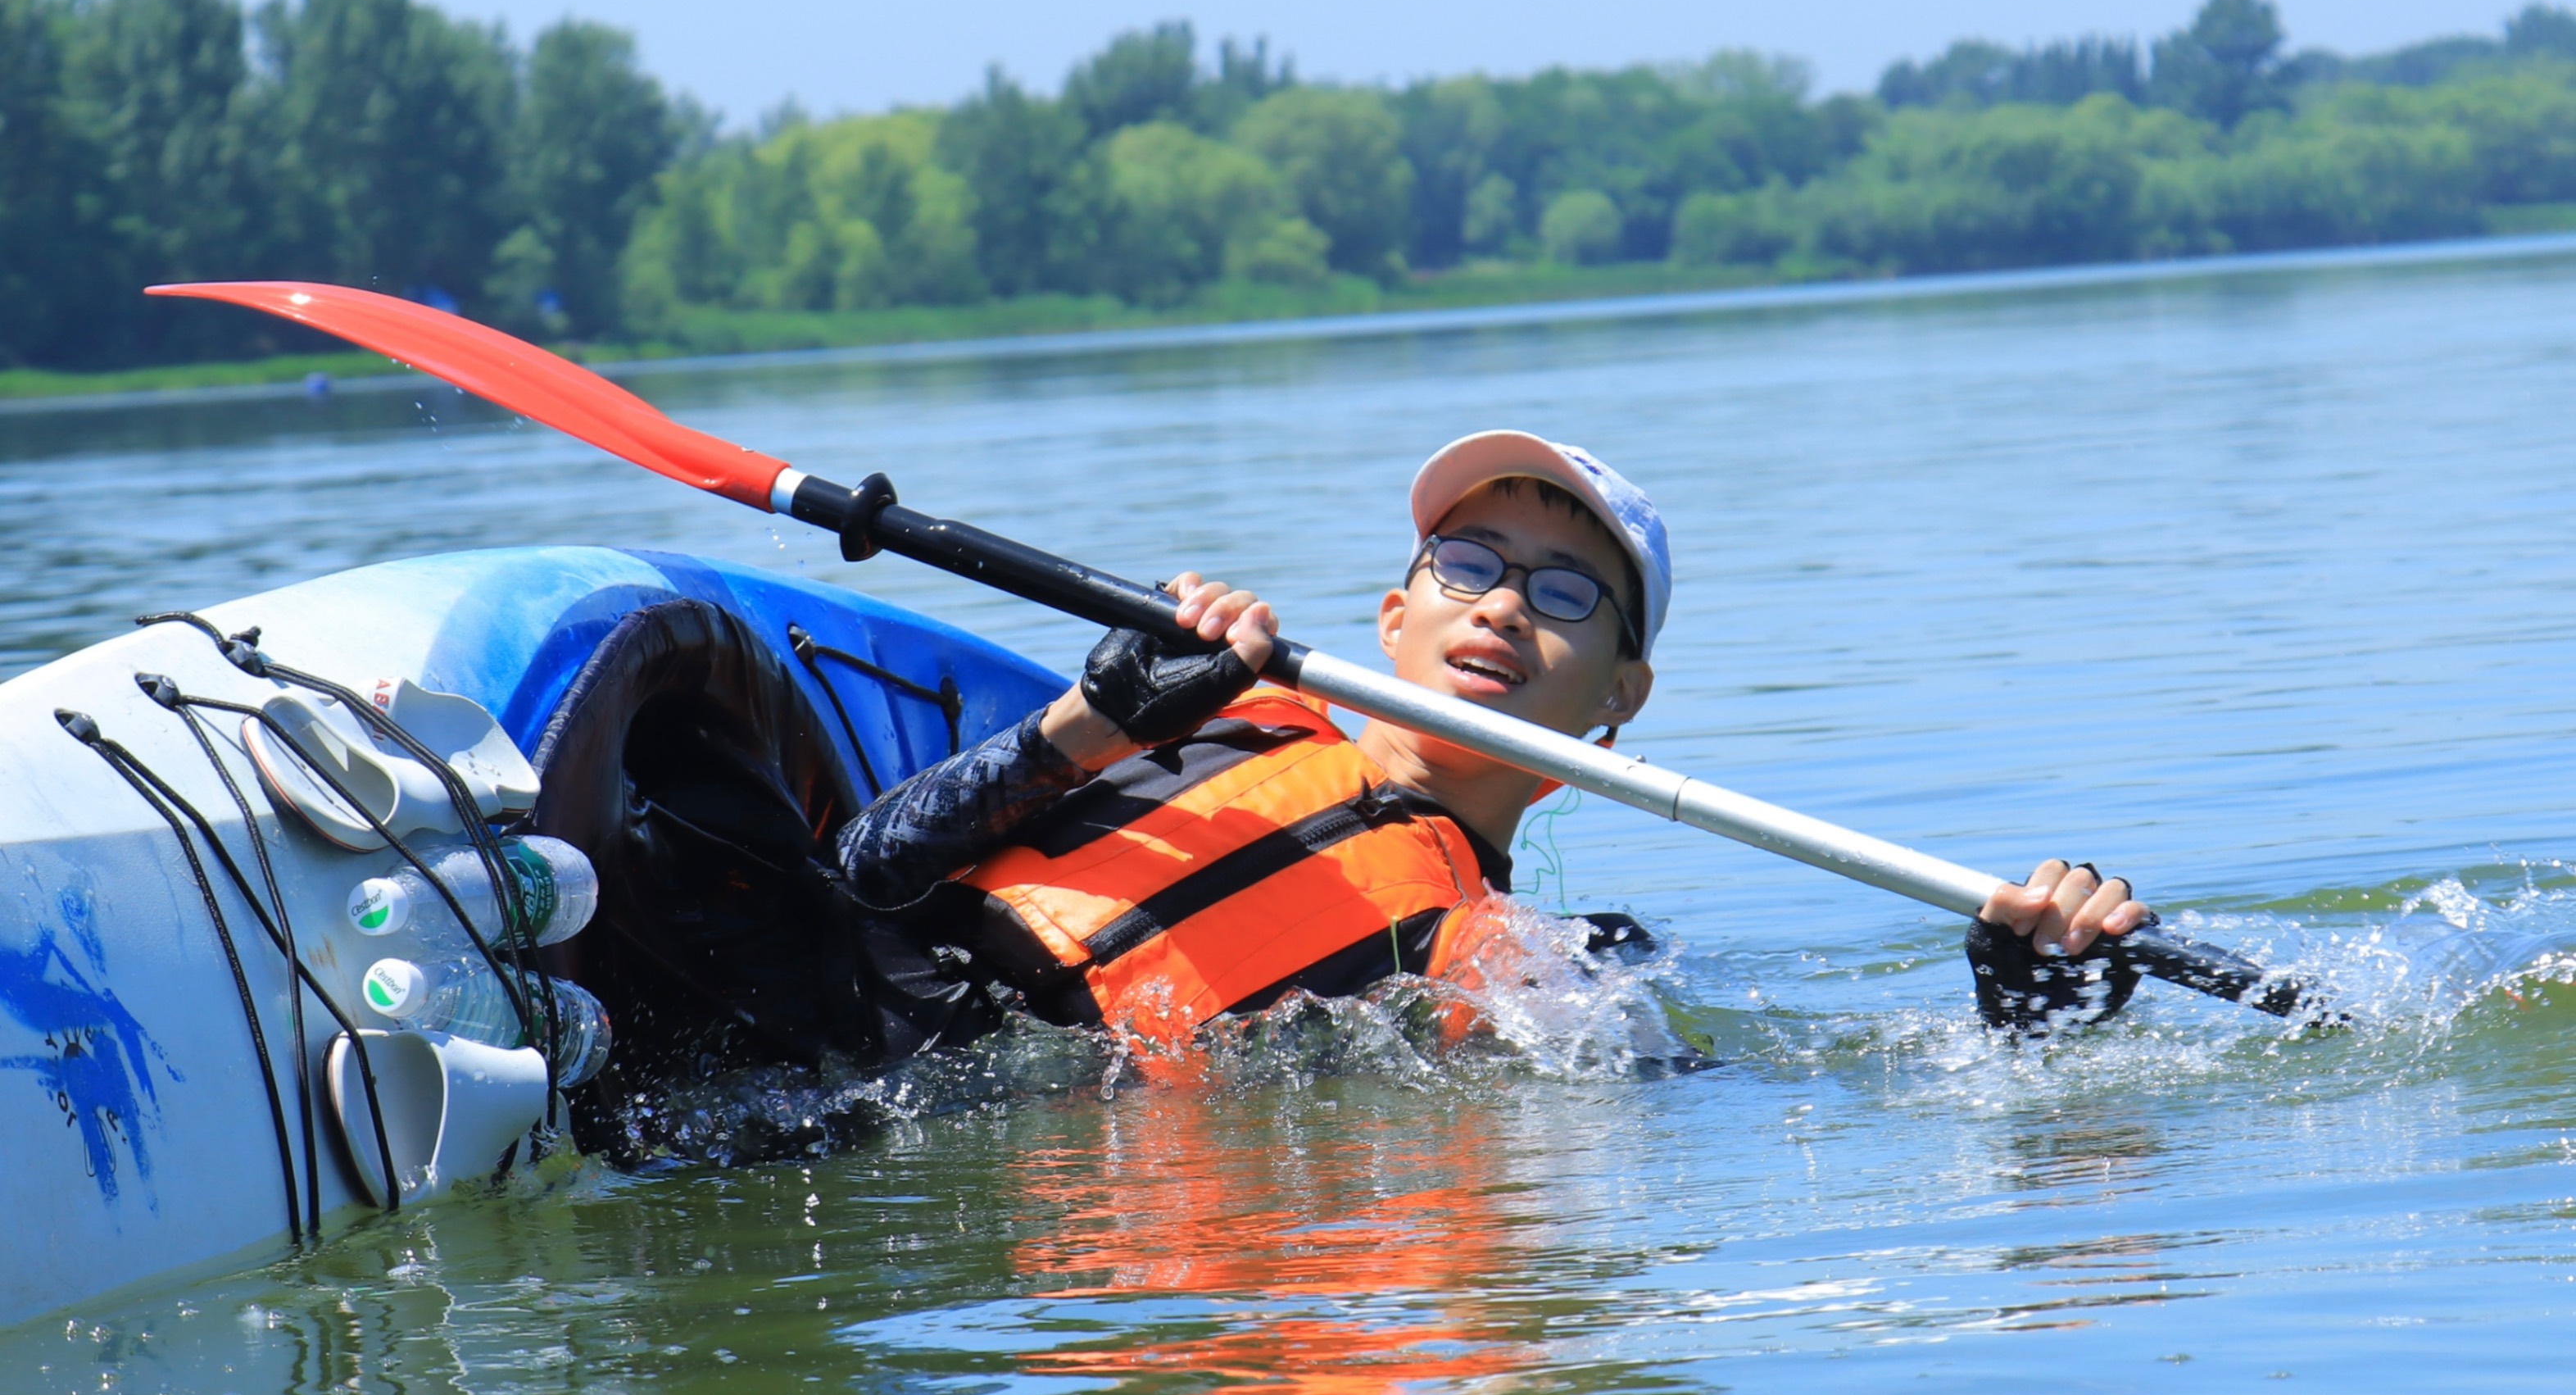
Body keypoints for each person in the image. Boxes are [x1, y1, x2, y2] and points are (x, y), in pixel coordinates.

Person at [834, 430, 2155, 1056]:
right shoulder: (1205, 711)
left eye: (1568, 593)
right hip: (840, 1018)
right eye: (1468, 567)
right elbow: (861, 868)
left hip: (1018, 1175)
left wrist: (2022, 1024)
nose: (1508, 604)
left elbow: (1776, 1098)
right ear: (1395, 617)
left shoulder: (1548, 970)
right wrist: (1093, 719)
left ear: (1621, 701)